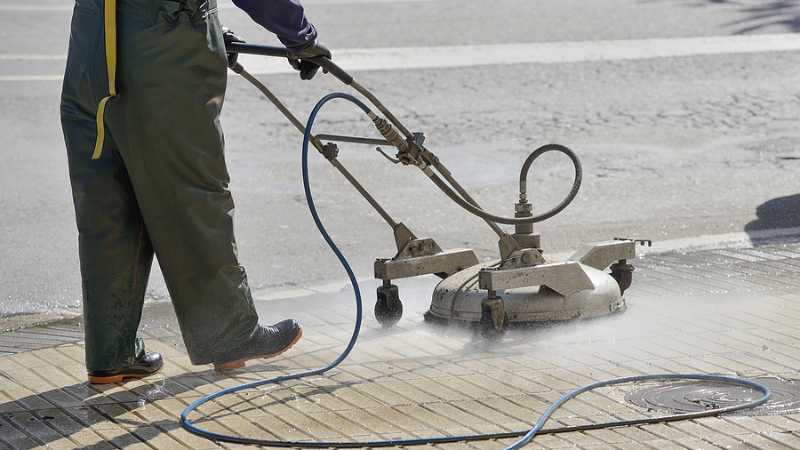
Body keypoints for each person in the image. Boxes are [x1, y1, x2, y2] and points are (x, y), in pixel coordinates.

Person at [60, 0, 329, 384]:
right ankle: (230, 335)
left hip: (92, 44)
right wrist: (298, 34)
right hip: (163, 46)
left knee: (110, 205)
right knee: (195, 194)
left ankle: (112, 352)